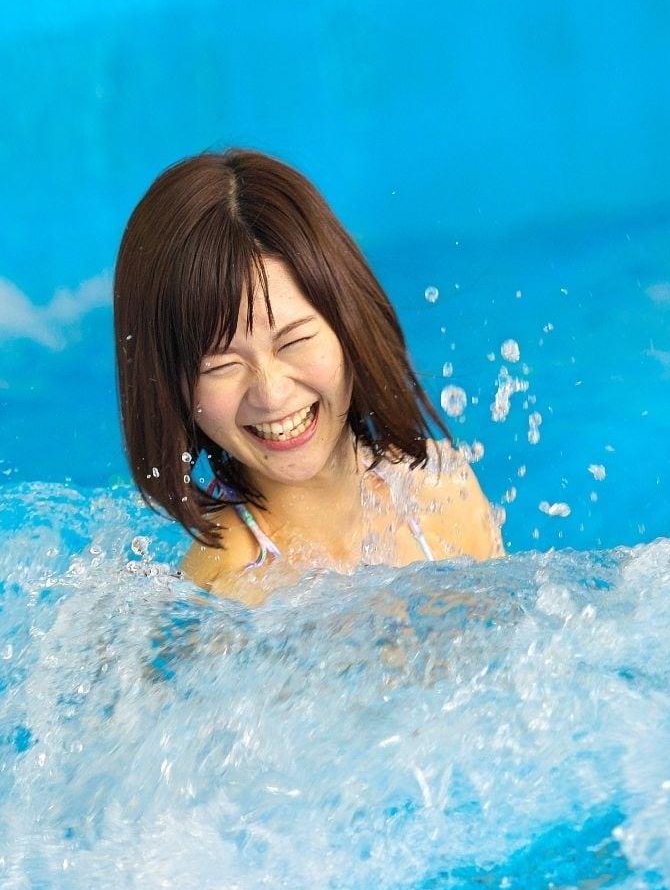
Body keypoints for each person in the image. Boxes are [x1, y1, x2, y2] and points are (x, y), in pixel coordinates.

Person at [113, 149, 501, 596]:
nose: (272, 394)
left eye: (294, 341)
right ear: (172, 391)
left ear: (350, 326)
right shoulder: (221, 597)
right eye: (221, 365)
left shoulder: (444, 492)